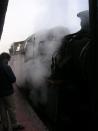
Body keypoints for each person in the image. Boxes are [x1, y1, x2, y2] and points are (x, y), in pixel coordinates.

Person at [0, 52, 24, 130]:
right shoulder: (6, 67)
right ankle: (14, 125)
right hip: (7, 93)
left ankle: (5, 126)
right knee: (11, 109)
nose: (8, 61)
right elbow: (13, 79)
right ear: (5, 59)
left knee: (2, 110)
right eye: (8, 60)